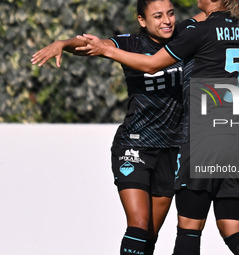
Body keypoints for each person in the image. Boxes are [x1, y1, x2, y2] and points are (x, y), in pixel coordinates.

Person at [74, 0, 239, 254]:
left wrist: (105, 49)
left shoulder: (199, 32)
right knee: (236, 229)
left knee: (189, 231)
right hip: (236, 137)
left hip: (201, 137)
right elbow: (209, 23)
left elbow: (152, 64)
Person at [31, 1, 205, 254]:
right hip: (134, 144)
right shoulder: (131, 43)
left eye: (170, 13)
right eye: (157, 16)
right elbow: (90, 45)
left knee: (149, 237)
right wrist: (63, 44)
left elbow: (211, 12)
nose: (166, 20)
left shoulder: (183, 37)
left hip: (172, 148)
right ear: (142, 21)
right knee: (137, 226)